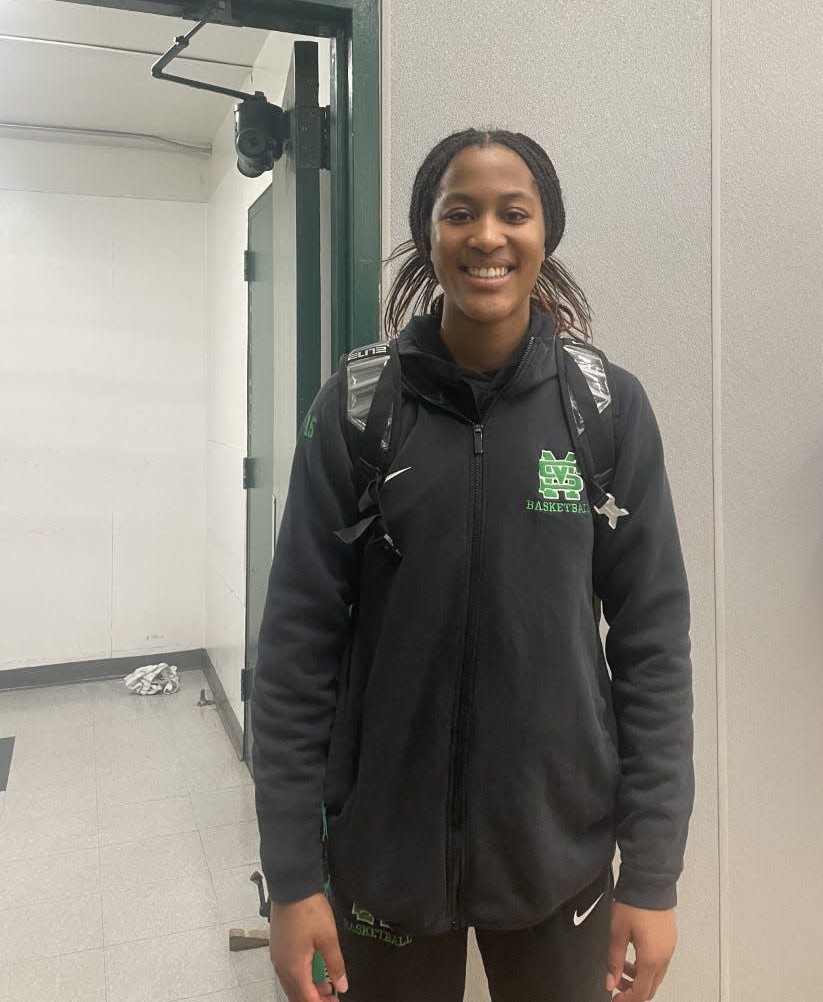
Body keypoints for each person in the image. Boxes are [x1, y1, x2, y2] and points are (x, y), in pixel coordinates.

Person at [251, 128, 694, 1002]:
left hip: (558, 862)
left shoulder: (604, 408)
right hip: (383, 866)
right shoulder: (357, 407)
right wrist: (294, 875)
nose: (487, 236)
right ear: (429, 234)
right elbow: (297, 651)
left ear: (544, 235)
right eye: (461, 213)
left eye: (513, 213)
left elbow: (653, 649)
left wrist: (652, 874)